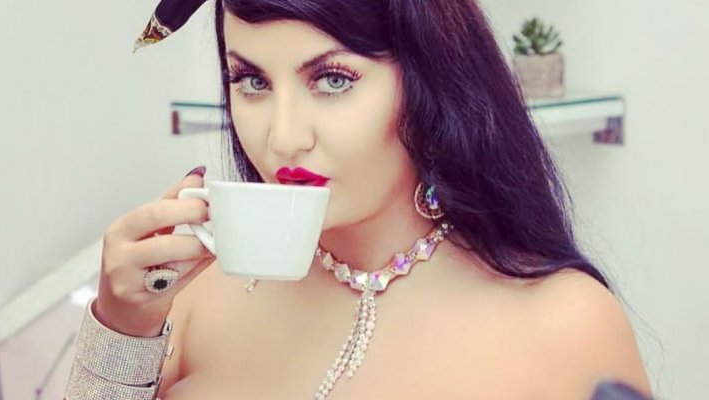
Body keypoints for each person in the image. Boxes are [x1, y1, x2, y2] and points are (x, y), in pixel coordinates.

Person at [64, 0, 652, 399]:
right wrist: (120, 332)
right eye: (252, 81)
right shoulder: (188, 301)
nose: (283, 137)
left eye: (333, 80)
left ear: (429, 83)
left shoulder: (563, 323)